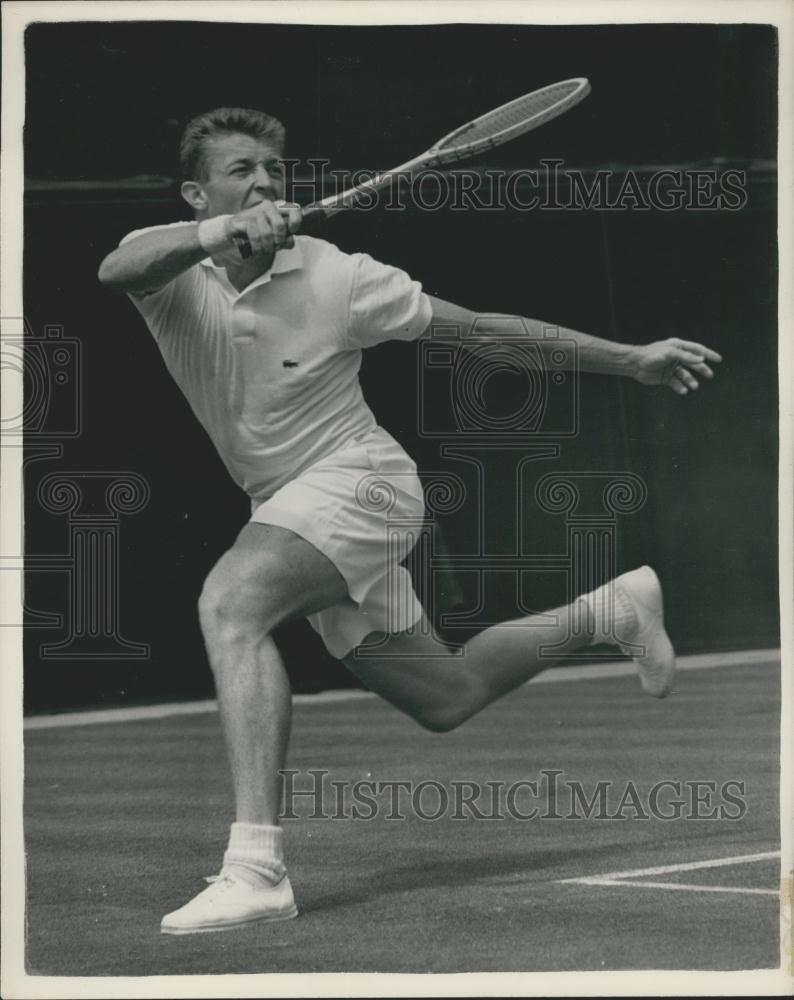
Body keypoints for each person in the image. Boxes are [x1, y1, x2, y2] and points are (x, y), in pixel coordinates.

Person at [98, 107, 722, 935]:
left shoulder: (341, 276)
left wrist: (630, 359)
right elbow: (117, 268)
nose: (266, 181)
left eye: (275, 169)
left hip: (362, 483)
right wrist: (220, 235)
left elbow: (484, 332)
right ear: (196, 194)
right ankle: (609, 611)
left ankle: (257, 869)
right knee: (446, 696)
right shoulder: (169, 264)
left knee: (231, 604)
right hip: (284, 505)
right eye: (242, 169)